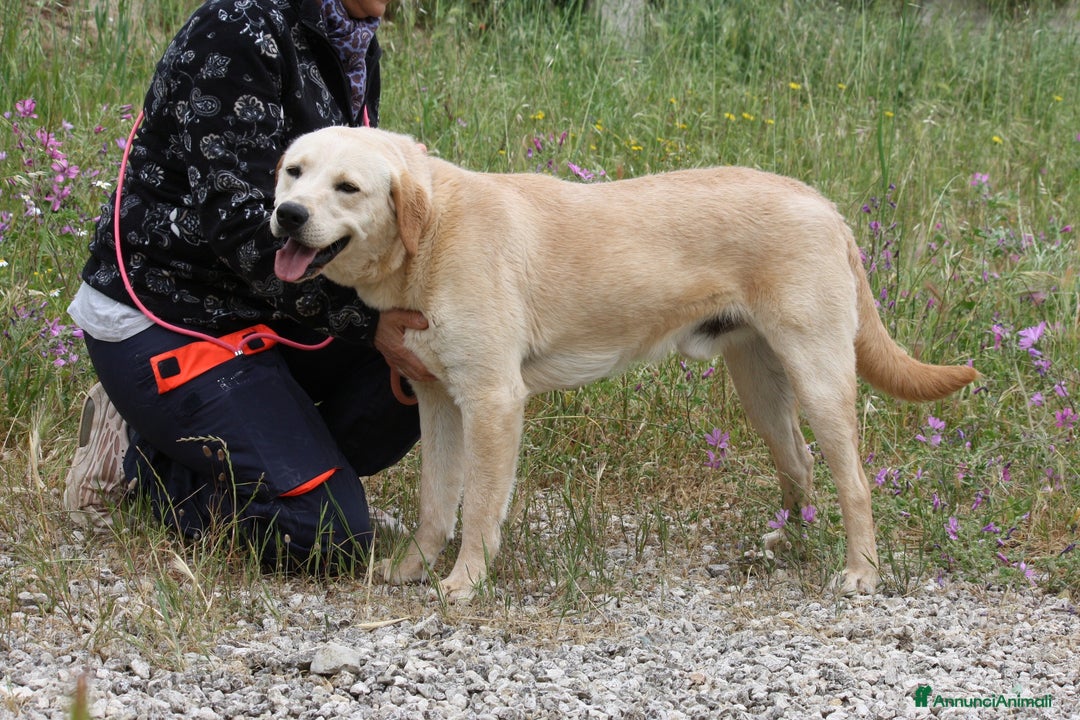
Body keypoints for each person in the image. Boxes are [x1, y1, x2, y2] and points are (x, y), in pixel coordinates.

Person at [63, 0, 433, 574]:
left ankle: (295, 479)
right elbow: (237, 226)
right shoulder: (236, 28)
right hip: (172, 313)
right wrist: (364, 321)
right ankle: (144, 461)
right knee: (328, 537)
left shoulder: (352, 37)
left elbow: (340, 214)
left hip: (272, 304)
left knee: (427, 355)